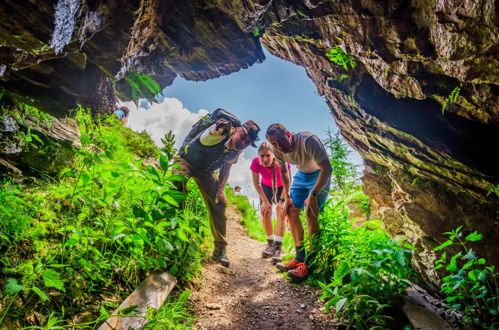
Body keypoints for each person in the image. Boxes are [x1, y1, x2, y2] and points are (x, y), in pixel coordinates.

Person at [174, 108, 261, 267]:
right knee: (177, 181)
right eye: (243, 137)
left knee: (219, 202)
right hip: (186, 161)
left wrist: (220, 190)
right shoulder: (220, 131)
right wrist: (217, 130)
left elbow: (226, 169)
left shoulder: (237, 150)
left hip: (206, 171)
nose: (243, 142)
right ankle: (174, 230)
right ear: (236, 130)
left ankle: (220, 249)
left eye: (247, 142)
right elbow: (207, 137)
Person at [266, 123, 332, 282]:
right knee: (290, 210)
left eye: (280, 141)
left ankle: (309, 264)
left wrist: (314, 194)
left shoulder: (308, 140)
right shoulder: (277, 150)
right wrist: (286, 196)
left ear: (288, 134)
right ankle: (299, 258)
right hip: (302, 176)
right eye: (274, 144)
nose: (278, 147)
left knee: (311, 212)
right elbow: (283, 171)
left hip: (320, 174)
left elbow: (327, 168)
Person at [250, 142, 290, 263]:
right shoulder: (256, 163)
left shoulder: (282, 161)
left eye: (268, 155)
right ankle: (270, 243)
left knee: (280, 211)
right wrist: (265, 201)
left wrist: (282, 200)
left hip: (283, 187)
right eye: (262, 156)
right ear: (258, 156)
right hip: (266, 186)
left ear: (273, 154)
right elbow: (256, 183)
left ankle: (278, 246)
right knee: (266, 211)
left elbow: (288, 182)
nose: (265, 159)